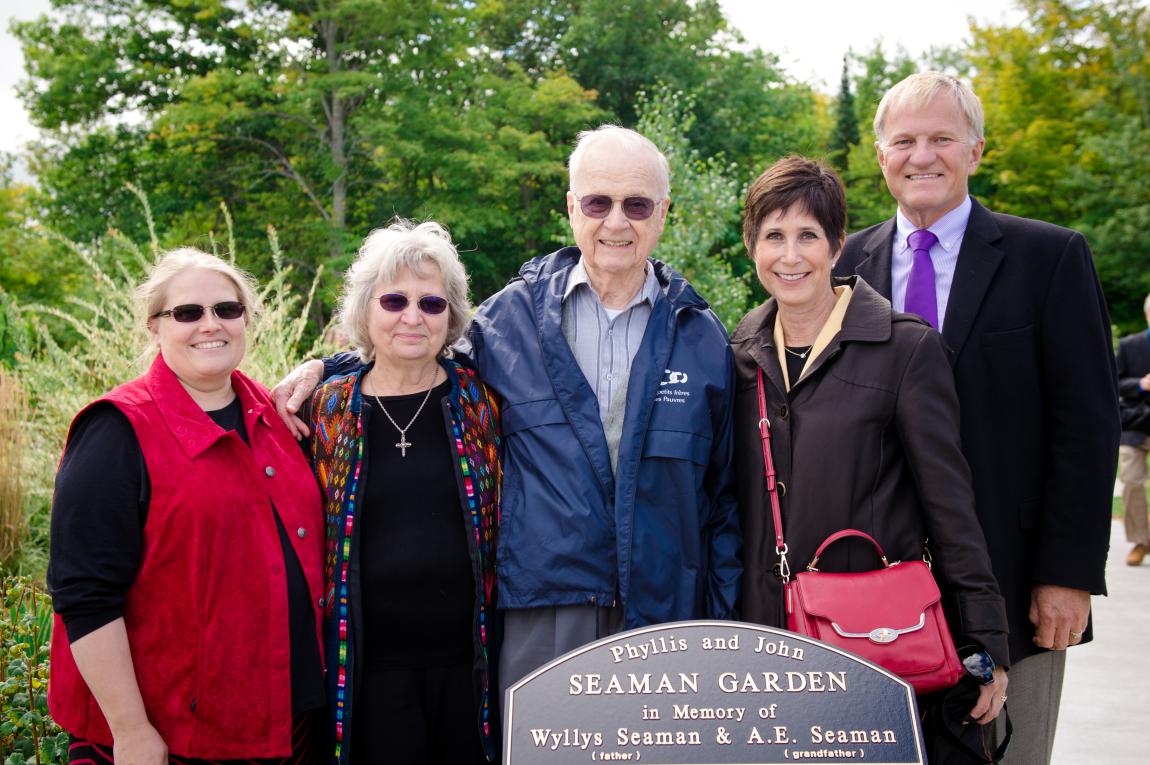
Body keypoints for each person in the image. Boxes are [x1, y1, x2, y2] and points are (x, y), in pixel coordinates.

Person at [273, 125, 741, 700]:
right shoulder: (510, 322)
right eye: (598, 202)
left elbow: (725, 501)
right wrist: (333, 365)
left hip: (670, 613)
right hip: (546, 610)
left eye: (636, 204)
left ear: (663, 213)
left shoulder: (704, 338)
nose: (616, 222)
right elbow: (418, 353)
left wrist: (725, 624)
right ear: (571, 208)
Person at [834, 72, 1120, 763]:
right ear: (881, 156)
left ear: (976, 150)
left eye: (941, 138)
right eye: (904, 140)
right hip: (878, 586)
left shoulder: (1049, 258)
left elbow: (1087, 425)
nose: (922, 156)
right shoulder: (846, 266)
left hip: (1017, 581)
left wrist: (1068, 572)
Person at [732, 155, 1008, 728]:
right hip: (762, 642)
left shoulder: (904, 349)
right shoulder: (739, 354)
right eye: (773, 236)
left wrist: (984, 638)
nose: (789, 256)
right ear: (751, 246)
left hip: (871, 639)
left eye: (807, 235)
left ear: (836, 246)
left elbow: (950, 504)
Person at [47, 248, 325, 763]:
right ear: (155, 326)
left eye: (227, 309)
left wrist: (321, 363)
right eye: (188, 313)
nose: (210, 325)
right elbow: (84, 594)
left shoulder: (274, 413)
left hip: (287, 725)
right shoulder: (115, 430)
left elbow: (394, 346)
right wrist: (130, 729)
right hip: (169, 739)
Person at [305, 220, 501, 764]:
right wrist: (318, 366)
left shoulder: (484, 403)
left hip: (471, 666)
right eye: (394, 300)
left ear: (452, 316)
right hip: (366, 668)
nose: (412, 317)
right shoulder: (324, 409)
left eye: (431, 304)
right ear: (366, 310)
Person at [1116, 293, 1150, 566]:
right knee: (1131, 481)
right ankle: (1141, 541)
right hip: (1135, 424)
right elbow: (1112, 384)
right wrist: (1140, 384)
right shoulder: (1129, 345)